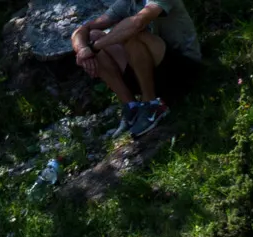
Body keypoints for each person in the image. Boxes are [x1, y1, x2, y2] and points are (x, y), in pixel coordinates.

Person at [70, 0, 201, 137]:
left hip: (182, 68)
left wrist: (94, 48)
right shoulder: (127, 3)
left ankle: (151, 104)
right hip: (153, 70)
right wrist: (83, 50)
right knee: (93, 36)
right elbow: (83, 30)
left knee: (133, 34)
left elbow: (138, 22)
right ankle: (132, 107)